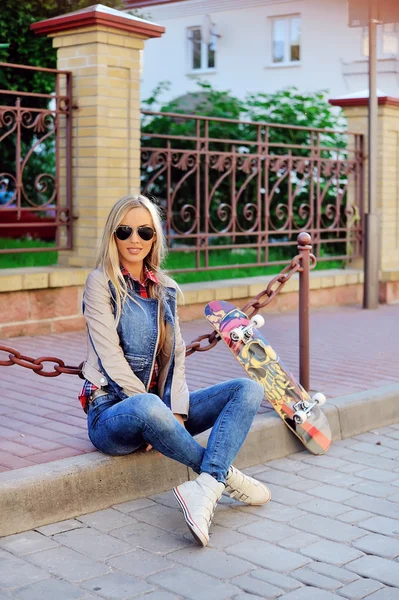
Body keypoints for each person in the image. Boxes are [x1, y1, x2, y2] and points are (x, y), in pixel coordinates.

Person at [79, 194, 271, 547]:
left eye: (144, 231)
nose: (134, 239)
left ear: (155, 237)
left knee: (248, 390)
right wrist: (155, 415)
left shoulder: (164, 288)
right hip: (112, 414)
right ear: (112, 235)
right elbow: (110, 359)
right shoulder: (100, 283)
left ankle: (206, 487)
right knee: (149, 405)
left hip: (162, 410)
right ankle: (224, 477)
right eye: (125, 231)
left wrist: (176, 414)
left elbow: (177, 356)